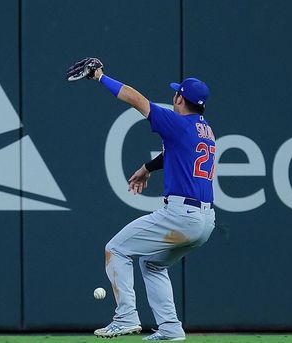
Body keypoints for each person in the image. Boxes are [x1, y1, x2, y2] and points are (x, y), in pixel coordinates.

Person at [90, 64, 216, 341]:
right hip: (206, 221)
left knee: (116, 249)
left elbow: (135, 99)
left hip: (182, 215)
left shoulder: (177, 122)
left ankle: (125, 317)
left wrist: (100, 77)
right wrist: (147, 168)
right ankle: (170, 328)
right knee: (153, 264)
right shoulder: (204, 130)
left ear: (180, 99)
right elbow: (174, 153)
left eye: (176, 94)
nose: (174, 98)